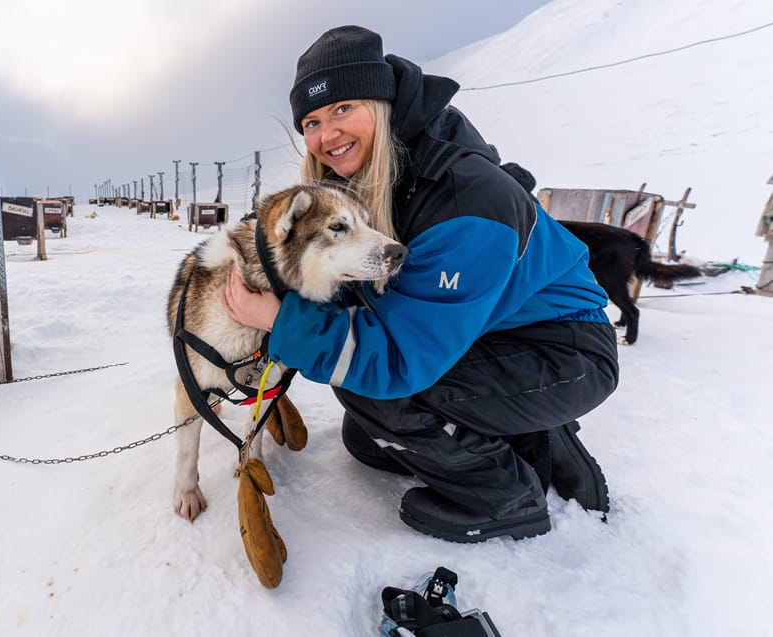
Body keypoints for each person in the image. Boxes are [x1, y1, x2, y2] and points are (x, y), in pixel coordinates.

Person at [222, 26, 619, 543]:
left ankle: (507, 500)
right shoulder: (373, 179)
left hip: (560, 349)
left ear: (381, 102)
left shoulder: (463, 199)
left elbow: (396, 360)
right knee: (366, 440)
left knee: (380, 392)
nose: (326, 134)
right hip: (485, 335)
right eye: (313, 121)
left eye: (343, 108)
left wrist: (279, 321)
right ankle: (530, 434)